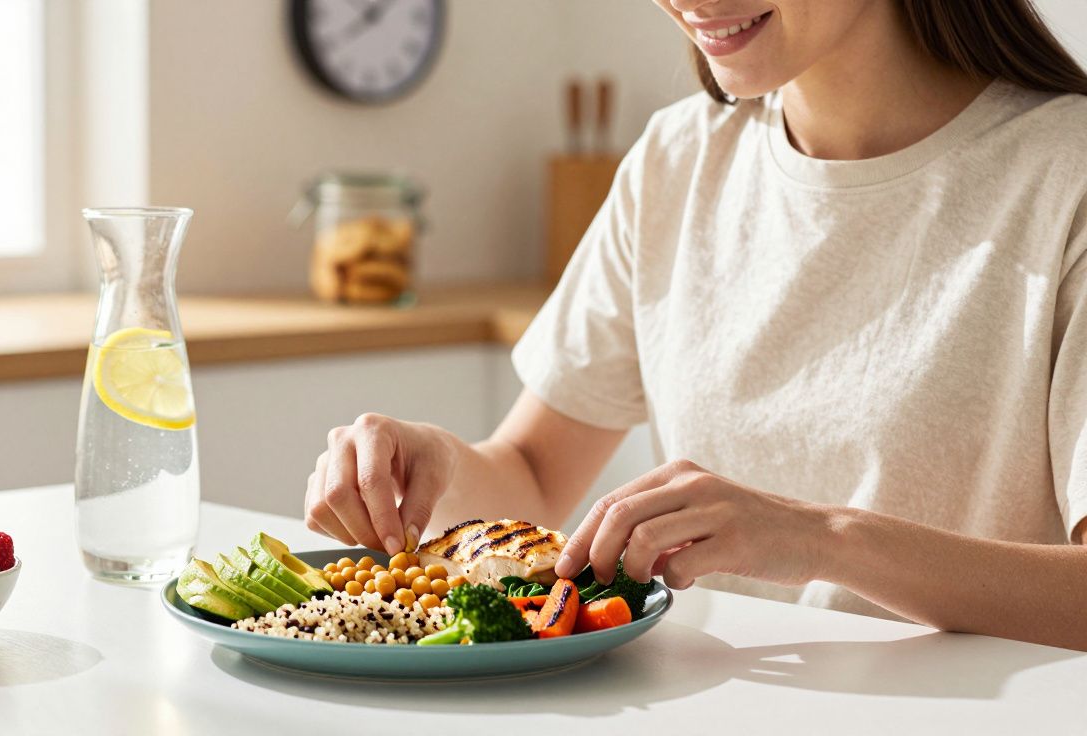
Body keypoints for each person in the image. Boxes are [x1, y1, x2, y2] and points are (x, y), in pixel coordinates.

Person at [304, 0, 1087, 651]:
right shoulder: (675, 162)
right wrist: (431, 461)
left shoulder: (1064, 175)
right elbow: (535, 478)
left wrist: (824, 540)